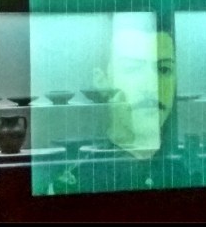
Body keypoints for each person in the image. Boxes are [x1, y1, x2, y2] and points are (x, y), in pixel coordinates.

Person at [49, 20, 191, 193]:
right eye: (132, 68)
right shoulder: (81, 181)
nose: (151, 86)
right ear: (102, 80)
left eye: (164, 69)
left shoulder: (181, 172)